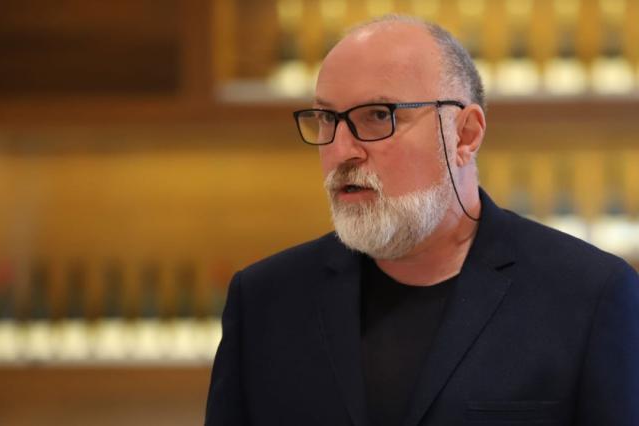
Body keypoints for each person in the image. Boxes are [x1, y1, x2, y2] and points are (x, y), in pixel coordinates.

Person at [205, 15, 639, 426]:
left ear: (465, 134)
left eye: (378, 116)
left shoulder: (589, 296)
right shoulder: (263, 301)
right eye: (326, 120)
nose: (341, 151)